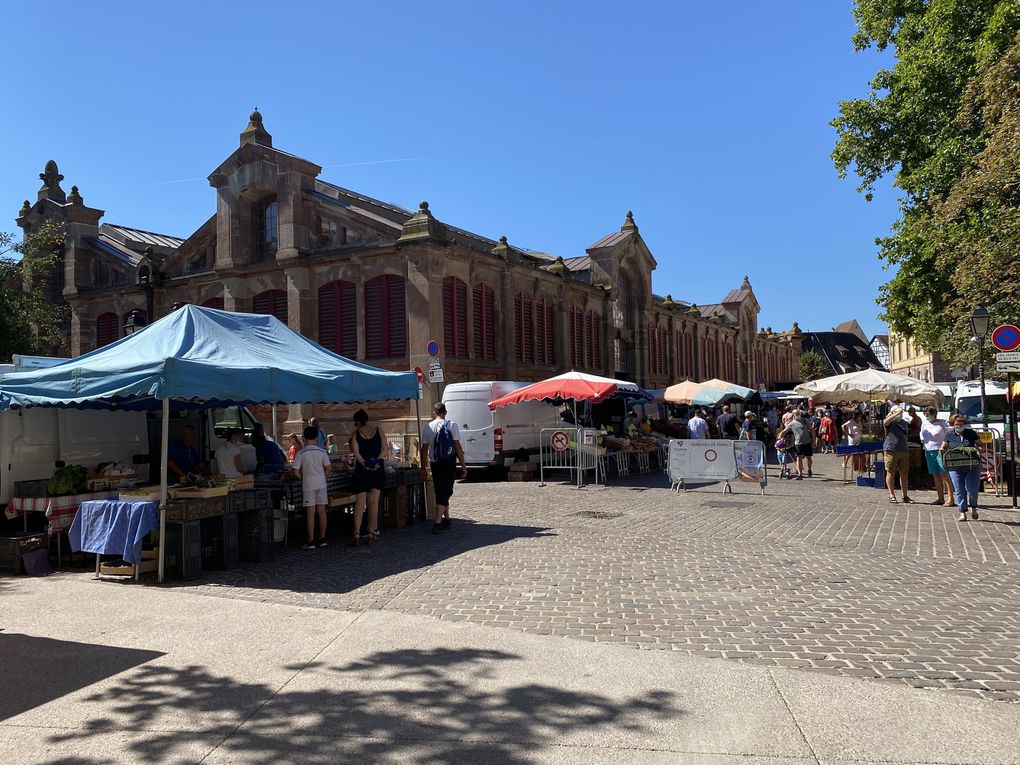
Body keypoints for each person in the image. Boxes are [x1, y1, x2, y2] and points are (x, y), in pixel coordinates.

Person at [420, 402, 467, 534]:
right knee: (445, 491)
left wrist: (423, 467)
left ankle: (447, 519)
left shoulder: (428, 427)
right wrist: (463, 466)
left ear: (434, 413)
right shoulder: (452, 425)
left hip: (435, 463)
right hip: (449, 462)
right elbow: (457, 447)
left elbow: (424, 450)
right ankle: (437, 523)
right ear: (445, 413)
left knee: (440, 490)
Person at [291, 425, 332, 549]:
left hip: (308, 483)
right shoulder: (322, 451)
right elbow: (329, 468)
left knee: (310, 512)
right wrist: (322, 475)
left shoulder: (301, 453)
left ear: (304, 437)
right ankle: (323, 538)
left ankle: (310, 540)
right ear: (316, 436)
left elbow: (295, 471)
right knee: (322, 511)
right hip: (321, 482)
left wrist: (303, 477)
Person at [350, 409, 387, 546]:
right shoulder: (378, 430)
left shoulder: (356, 434)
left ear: (358, 422)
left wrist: (365, 464)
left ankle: (357, 533)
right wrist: (377, 461)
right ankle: (371, 532)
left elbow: (356, 452)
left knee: (359, 504)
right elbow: (385, 449)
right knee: (373, 503)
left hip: (362, 470)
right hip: (377, 470)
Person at [940, 414, 981, 522]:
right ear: (953, 425)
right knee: (959, 490)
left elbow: (981, 445)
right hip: (955, 466)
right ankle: (962, 512)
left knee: (972, 489)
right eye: (956, 424)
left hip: (972, 466)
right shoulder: (949, 435)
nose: (958, 426)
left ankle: (974, 508)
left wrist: (977, 450)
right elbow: (943, 447)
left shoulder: (971, 433)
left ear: (964, 424)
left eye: (961, 424)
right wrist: (942, 454)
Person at [882, 403, 919, 504]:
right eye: (898, 413)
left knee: (904, 473)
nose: (900, 414)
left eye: (901, 413)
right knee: (891, 472)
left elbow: (911, 428)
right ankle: (891, 495)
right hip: (891, 450)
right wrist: (895, 414)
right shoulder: (890, 422)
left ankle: (905, 495)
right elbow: (885, 422)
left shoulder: (903, 422)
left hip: (903, 450)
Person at [920, 406, 955, 507]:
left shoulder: (942, 423)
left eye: (929, 414)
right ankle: (940, 498)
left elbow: (949, 434)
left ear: (934, 414)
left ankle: (951, 498)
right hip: (929, 450)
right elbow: (922, 436)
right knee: (935, 475)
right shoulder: (924, 424)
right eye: (925, 414)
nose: (927, 416)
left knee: (944, 475)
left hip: (940, 450)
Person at [779, 409, 815, 480]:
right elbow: (784, 431)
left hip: (807, 442)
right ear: (793, 415)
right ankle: (800, 474)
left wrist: (814, 441)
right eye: (796, 414)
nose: (798, 415)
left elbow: (812, 430)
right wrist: (780, 437)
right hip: (798, 443)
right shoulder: (792, 423)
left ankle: (809, 470)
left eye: (799, 414)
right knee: (799, 458)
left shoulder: (805, 421)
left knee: (808, 457)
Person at [841, 411, 864, 477]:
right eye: (859, 416)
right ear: (856, 416)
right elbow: (843, 426)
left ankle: (856, 465)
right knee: (850, 452)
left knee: (858, 452)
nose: (860, 417)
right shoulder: (851, 422)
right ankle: (845, 462)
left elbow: (861, 429)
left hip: (859, 439)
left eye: (861, 416)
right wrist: (848, 433)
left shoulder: (859, 422)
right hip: (852, 439)